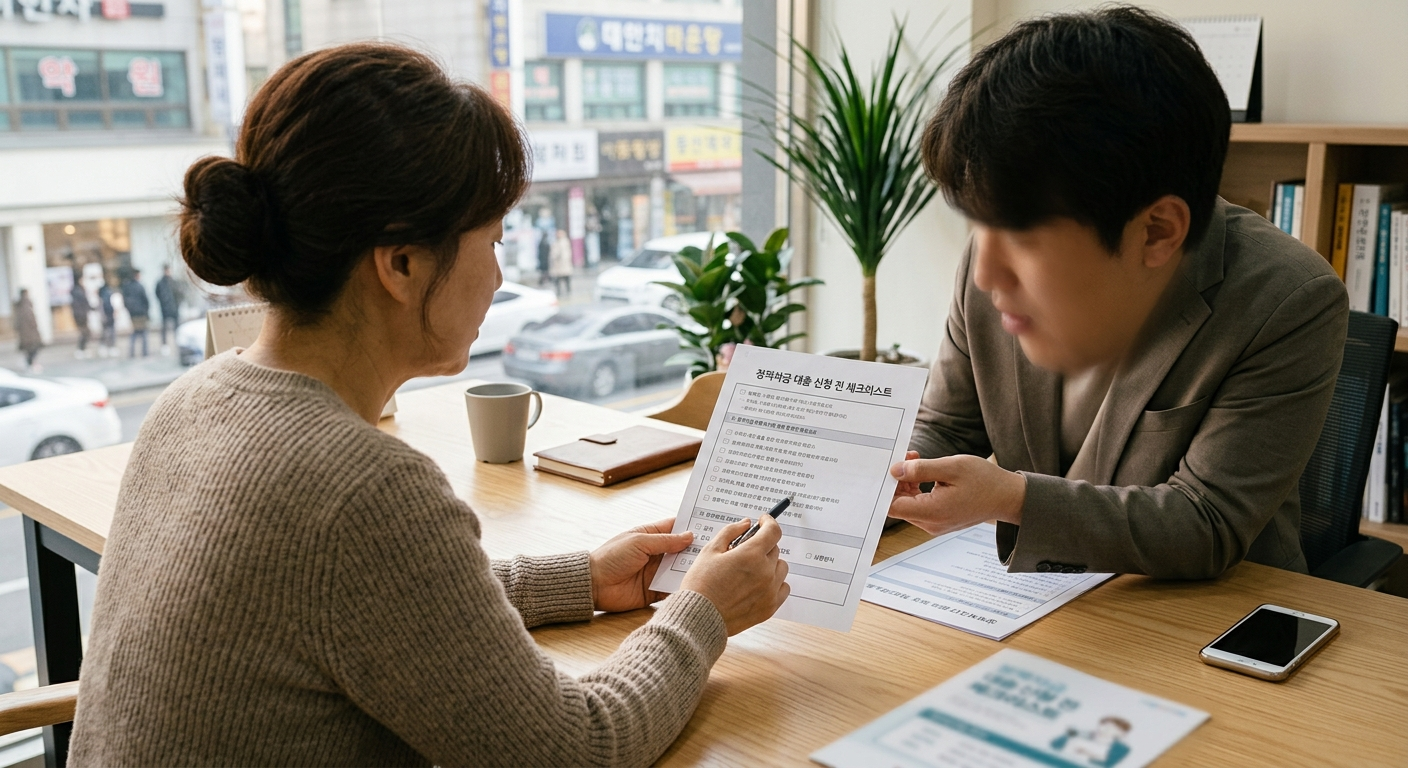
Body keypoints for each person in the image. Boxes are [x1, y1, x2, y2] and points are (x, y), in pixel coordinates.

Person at [69, 43, 788, 768]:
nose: (501, 277)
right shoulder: (361, 488)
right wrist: (704, 613)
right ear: (402, 263)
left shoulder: (191, 400)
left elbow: (368, 608)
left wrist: (582, 578)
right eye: (494, 240)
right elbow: (577, 748)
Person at [887, 6, 1348, 579]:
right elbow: (948, 426)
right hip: (1034, 599)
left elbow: (1205, 522)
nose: (984, 274)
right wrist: (870, 479)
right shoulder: (994, 263)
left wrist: (1013, 498)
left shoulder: (1288, 299)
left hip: (1199, 613)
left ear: (1156, 231)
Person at [120, 268, 151, 358]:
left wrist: (129, 310)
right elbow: (146, 300)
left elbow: (124, 300)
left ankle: (131, 352)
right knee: (144, 333)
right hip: (141, 313)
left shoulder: (127, 286)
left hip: (132, 314)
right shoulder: (140, 286)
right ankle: (144, 352)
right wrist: (146, 311)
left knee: (134, 333)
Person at [13, 288, 43, 373]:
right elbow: (30, 319)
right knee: (34, 348)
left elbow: (17, 322)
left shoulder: (20, 305)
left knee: (29, 349)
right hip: (30, 332)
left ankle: (29, 364)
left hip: (25, 333)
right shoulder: (26, 304)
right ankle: (29, 364)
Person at [154, 265, 180, 355]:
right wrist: (163, 303)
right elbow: (157, 294)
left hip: (174, 308)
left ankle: (178, 342)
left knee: (176, 328)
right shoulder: (160, 283)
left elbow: (178, 294)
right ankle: (165, 345)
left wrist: (177, 304)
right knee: (164, 328)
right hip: (165, 309)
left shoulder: (174, 282)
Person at [69, 273, 92, 358]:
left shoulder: (78, 290)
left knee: (86, 332)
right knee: (85, 332)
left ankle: (82, 349)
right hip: (80, 315)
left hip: (81, 314)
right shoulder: (78, 291)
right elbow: (82, 303)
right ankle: (80, 349)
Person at [550, 227, 574, 297]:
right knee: (559, 279)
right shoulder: (556, 242)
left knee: (565, 278)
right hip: (559, 265)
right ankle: (560, 291)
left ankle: (567, 290)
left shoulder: (563, 242)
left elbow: (564, 254)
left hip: (563, 264)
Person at [97, 276, 117, 357]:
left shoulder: (102, 293)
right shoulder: (107, 292)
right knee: (109, 331)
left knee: (105, 331)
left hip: (104, 315)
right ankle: (109, 347)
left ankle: (104, 347)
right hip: (108, 314)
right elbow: (107, 305)